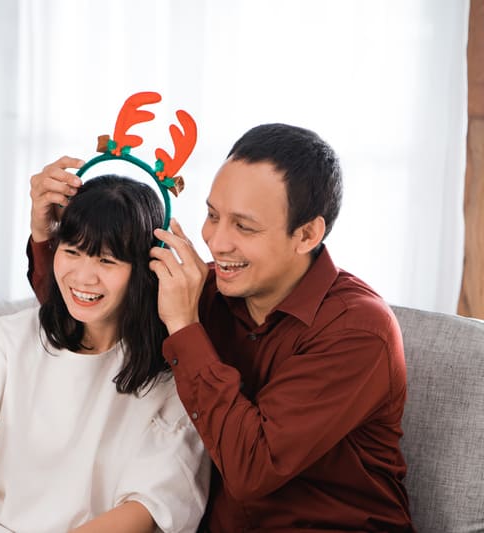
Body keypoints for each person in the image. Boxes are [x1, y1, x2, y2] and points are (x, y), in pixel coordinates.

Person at [28, 124, 415, 531]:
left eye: (244, 226)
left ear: (306, 234)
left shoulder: (358, 330)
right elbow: (91, 315)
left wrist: (184, 325)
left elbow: (252, 468)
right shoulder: (206, 290)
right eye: (213, 215)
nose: (215, 241)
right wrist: (45, 232)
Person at [0, 175, 210, 533]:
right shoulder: (9, 339)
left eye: (106, 261)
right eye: (72, 252)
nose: (83, 277)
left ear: (148, 268)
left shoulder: (171, 373)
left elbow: (150, 504)